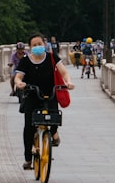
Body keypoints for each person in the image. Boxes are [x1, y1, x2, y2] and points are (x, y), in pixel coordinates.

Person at [13, 33, 75, 170]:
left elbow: (64, 72)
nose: (37, 47)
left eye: (39, 44)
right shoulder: (25, 61)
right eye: (34, 45)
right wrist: (19, 83)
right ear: (30, 47)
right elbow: (18, 77)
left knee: (53, 118)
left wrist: (69, 82)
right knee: (29, 127)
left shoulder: (52, 57)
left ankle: (54, 133)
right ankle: (28, 159)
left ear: (44, 45)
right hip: (32, 95)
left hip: (50, 93)